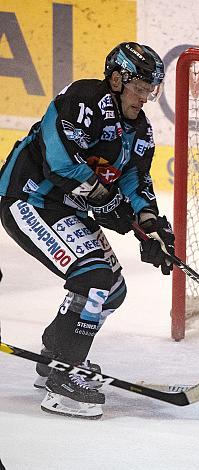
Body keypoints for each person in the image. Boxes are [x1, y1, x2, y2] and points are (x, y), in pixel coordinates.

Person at [0, 42, 175, 419]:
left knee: (112, 290)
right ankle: (63, 379)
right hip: (29, 199)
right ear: (116, 78)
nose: (145, 97)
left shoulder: (139, 130)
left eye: (151, 90)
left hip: (66, 209)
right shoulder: (82, 99)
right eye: (140, 88)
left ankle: (54, 356)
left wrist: (151, 225)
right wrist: (105, 201)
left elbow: (133, 179)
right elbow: (60, 163)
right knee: (92, 276)